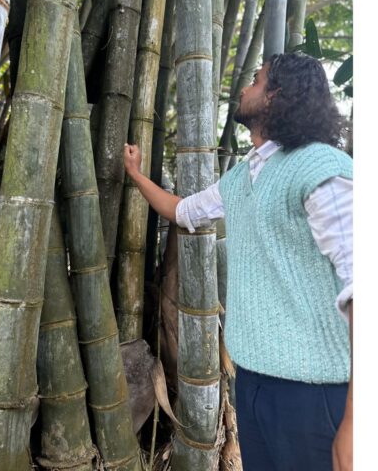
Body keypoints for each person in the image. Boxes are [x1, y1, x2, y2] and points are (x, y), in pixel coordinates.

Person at [122, 52, 353, 471]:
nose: (244, 88)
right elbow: (182, 210)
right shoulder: (243, 176)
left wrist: (354, 422)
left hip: (313, 393)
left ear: (276, 97)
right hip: (252, 382)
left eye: (256, 81)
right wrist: (136, 175)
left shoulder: (322, 168)